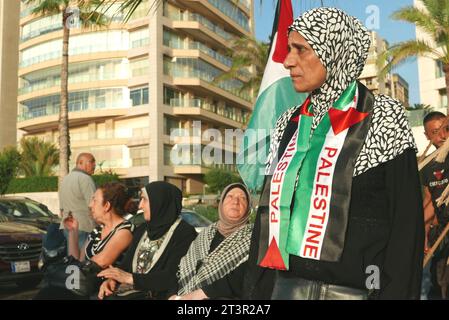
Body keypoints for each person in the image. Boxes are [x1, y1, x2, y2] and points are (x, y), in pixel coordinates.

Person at [243, 7, 424, 300]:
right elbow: (265, 224)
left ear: (334, 51)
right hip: (284, 290)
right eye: (289, 49)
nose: (288, 61)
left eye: (301, 50)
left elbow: (406, 227)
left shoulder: (382, 117)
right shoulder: (287, 124)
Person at [97, 181, 197, 300]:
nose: (140, 206)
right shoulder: (143, 229)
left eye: (144, 200)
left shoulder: (184, 233)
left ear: (159, 201)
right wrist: (112, 280)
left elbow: (173, 276)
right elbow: (125, 265)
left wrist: (130, 278)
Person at [35, 182, 134, 299]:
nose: (90, 204)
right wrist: (73, 232)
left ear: (106, 205)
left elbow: (101, 262)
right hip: (84, 286)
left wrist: (62, 271)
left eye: (94, 200)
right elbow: (79, 260)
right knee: (46, 293)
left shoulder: (124, 231)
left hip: (103, 290)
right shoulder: (97, 231)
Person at [169, 183, 253, 300]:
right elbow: (184, 266)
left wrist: (195, 296)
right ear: (221, 203)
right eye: (230, 196)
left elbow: (241, 279)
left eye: (243, 198)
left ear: (249, 207)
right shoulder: (205, 234)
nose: (235, 202)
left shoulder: (253, 238)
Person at [420, 115, 449, 299]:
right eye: (435, 132)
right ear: (427, 136)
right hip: (441, 232)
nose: (442, 136)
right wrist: (423, 234)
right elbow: (430, 200)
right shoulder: (428, 166)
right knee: (439, 282)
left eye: (445, 129)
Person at [59, 153, 97, 250]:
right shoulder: (86, 179)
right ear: (80, 162)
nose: (94, 165)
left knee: (72, 259)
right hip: (83, 226)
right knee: (83, 261)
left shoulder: (65, 179)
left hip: (66, 225)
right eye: (91, 161)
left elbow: (62, 209)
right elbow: (93, 205)